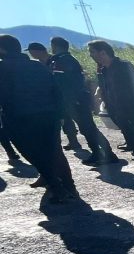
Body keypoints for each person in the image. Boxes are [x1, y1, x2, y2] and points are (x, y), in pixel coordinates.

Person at [0, 34, 77, 202]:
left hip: (19, 117)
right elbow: (55, 90)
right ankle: (69, 185)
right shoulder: (37, 66)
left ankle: (56, 187)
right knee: (55, 150)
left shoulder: (2, 68)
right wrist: (61, 114)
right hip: (49, 115)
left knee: (33, 153)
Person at [88, 40, 134, 180]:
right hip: (119, 113)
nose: (90, 55)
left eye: (92, 52)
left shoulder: (124, 67)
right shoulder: (104, 70)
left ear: (103, 52)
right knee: (133, 143)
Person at [48, 37, 119, 166]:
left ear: (55, 46)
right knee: (86, 129)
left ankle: (107, 154)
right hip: (74, 100)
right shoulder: (61, 60)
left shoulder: (65, 61)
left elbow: (68, 84)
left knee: (89, 129)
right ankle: (98, 153)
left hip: (76, 100)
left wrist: (73, 100)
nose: (90, 55)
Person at [30, 42, 82, 151]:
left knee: (74, 118)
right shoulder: (36, 64)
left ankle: (75, 141)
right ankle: (73, 141)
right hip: (50, 95)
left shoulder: (54, 60)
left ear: (39, 51)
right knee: (63, 119)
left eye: (32, 51)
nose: (31, 54)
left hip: (63, 94)